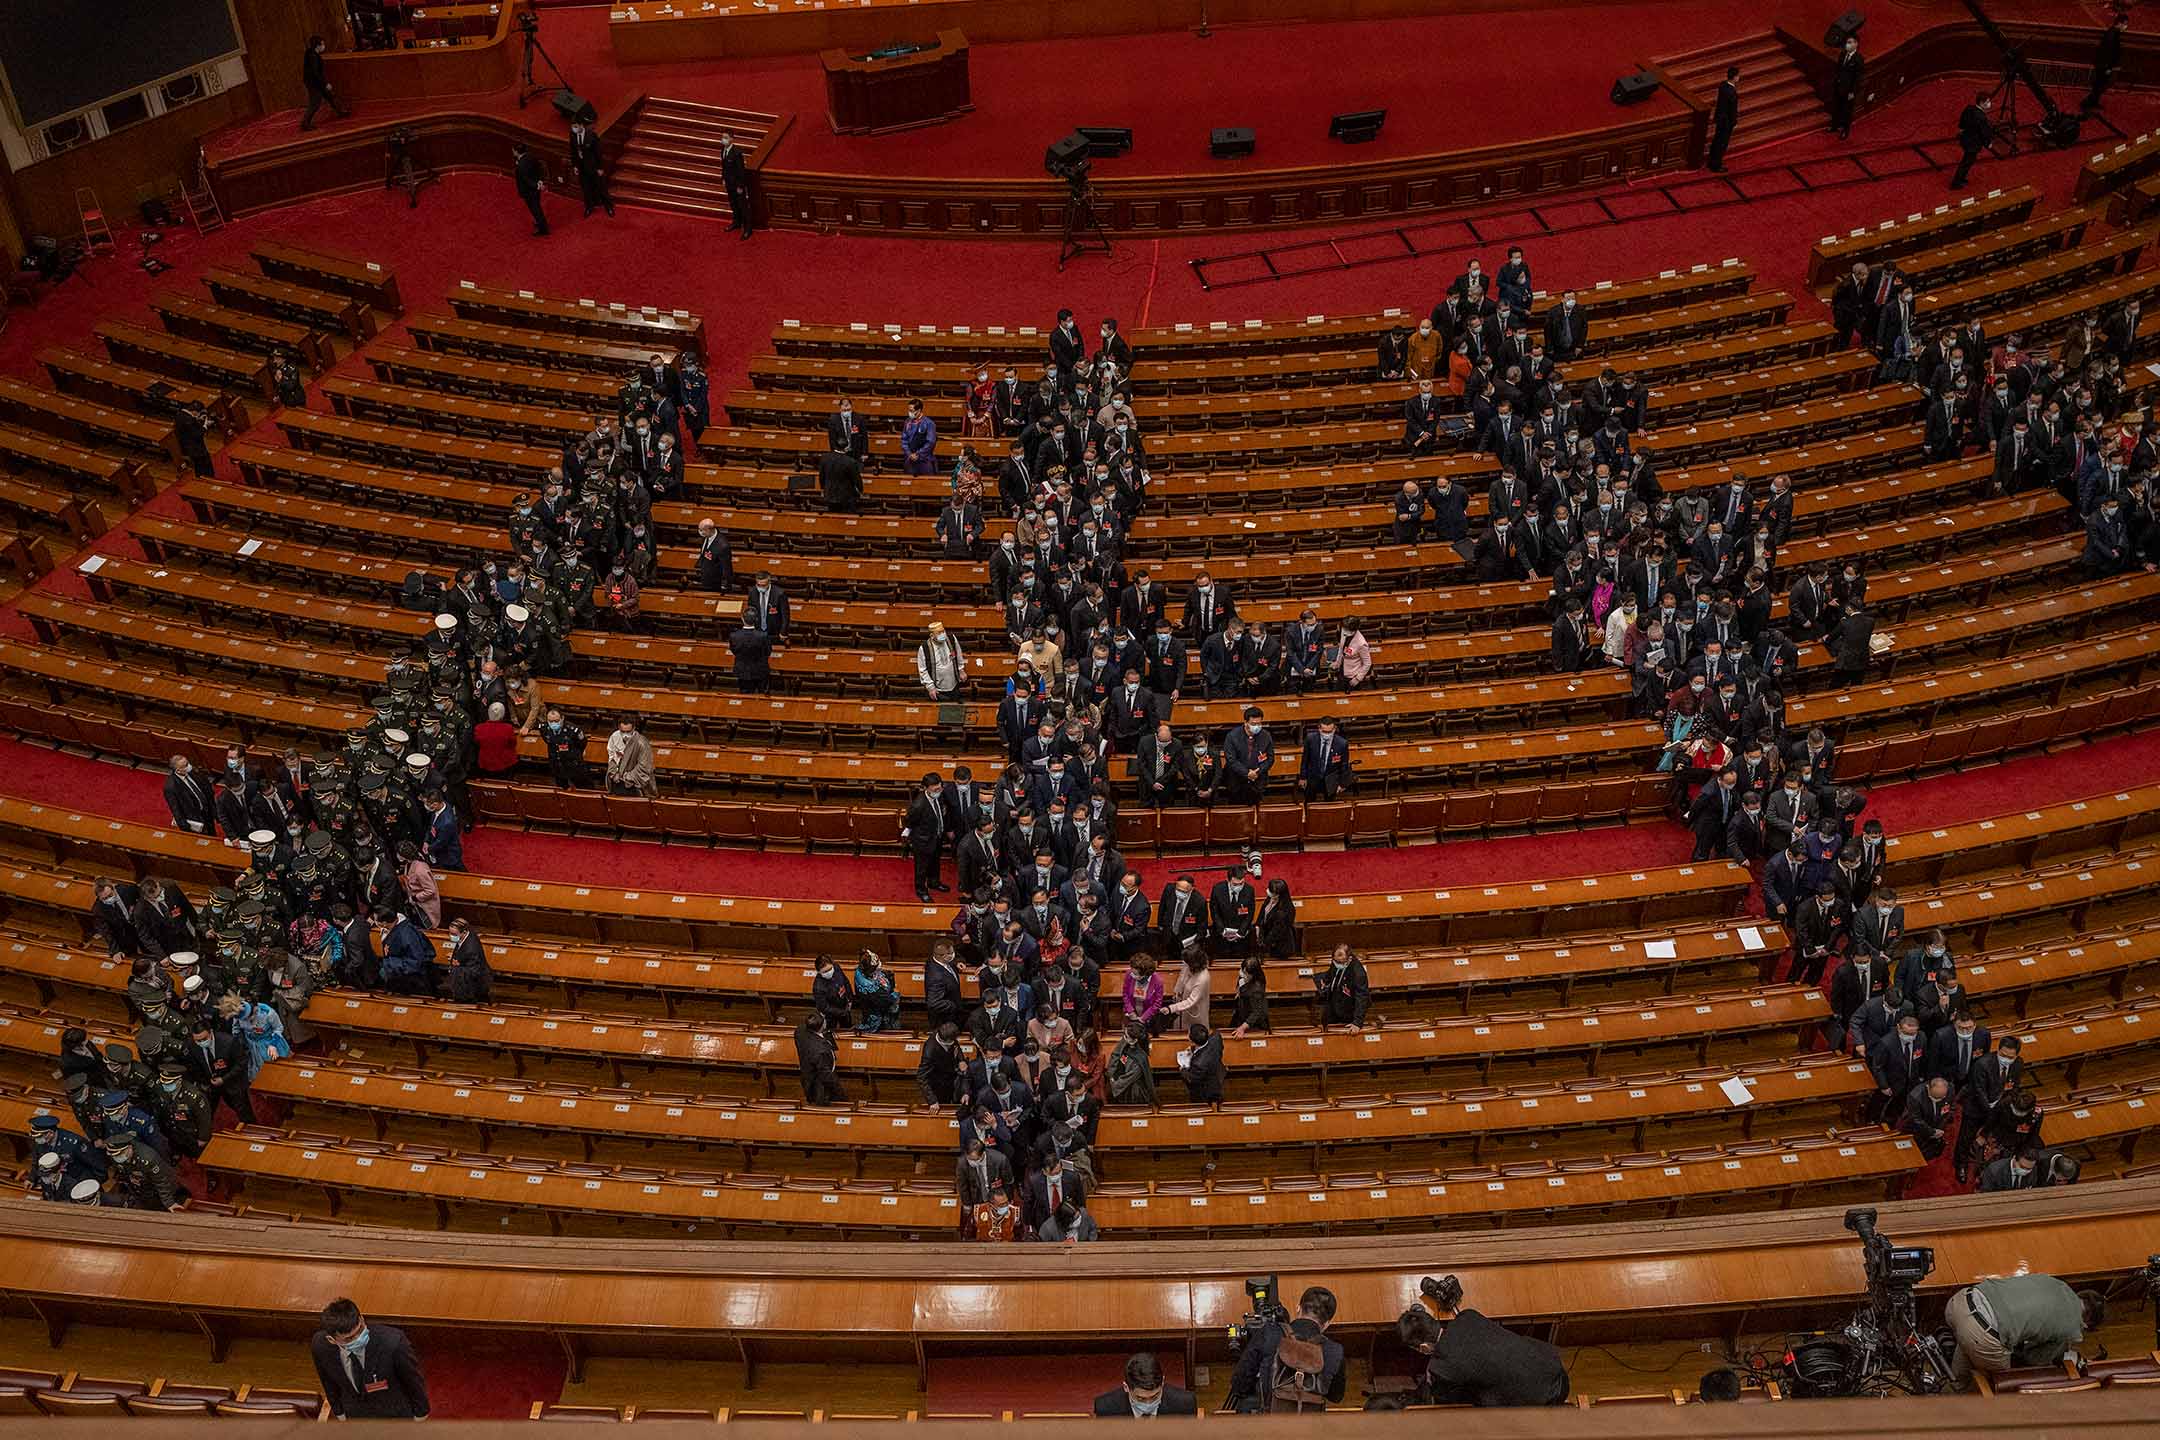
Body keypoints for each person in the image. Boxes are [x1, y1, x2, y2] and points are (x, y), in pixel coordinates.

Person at [1943, 1275, 2103, 1391]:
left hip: (1960, 1302)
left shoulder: (2056, 1283)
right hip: (1981, 1332)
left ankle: (1954, 1388)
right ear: (2087, 1324)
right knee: (2006, 1383)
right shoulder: (2071, 1327)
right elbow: (2034, 1360)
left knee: (1969, 1344)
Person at [1398, 1302, 1570, 1407]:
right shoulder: (1467, 1316)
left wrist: (1432, 1380)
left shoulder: (1442, 1369)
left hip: (1542, 1400)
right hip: (1553, 1368)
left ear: (1424, 1348)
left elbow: (1452, 1402)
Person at [1226, 1285, 1345, 1413]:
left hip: (1267, 1427)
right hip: (1310, 1429)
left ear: (1298, 1308)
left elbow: (1239, 1384)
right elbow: (1336, 1396)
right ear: (1327, 1323)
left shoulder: (1269, 1333)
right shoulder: (1335, 1351)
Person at [311, 1298, 430, 1421]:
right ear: (332, 1340)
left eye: (360, 1330)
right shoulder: (320, 1346)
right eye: (349, 1339)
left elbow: (413, 1380)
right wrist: (340, 1413)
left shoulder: (393, 1342)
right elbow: (327, 1382)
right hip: (355, 1416)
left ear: (361, 1319)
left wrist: (421, 1414)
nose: (358, 1339)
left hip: (394, 1415)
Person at [1094, 1352, 1198, 1416]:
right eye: (1140, 1398)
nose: (1148, 1403)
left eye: (1155, 1396)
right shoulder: (1105, 1408)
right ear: (1126, 1387)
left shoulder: (1185, 1404)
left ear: (1162, 1382)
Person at [793, 1010, 844, 1104]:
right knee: (823, 1100)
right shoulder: (820, 1050)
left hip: (806, 1071)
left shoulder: (799, 1030)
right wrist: (839, 1090)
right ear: (821, 1027)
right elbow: (825, 1074)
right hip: (819, 1079)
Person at [299, 36, 349, 131]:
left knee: (330, 96)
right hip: (314, 83)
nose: (324, 46)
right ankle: (305, 123)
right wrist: (325, 83)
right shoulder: (313, 56)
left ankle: (340, 111)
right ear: (318, 46)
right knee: (315, 103)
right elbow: (315, 73)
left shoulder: (311, 53)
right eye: (323, 44)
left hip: (315, 81)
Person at [568, 116, 614, 217]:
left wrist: (600, 168)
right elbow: (573, 152)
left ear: (581, 125)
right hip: (582, 168)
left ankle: (609, 206)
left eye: (575, 126)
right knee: (586, 189)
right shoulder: (572, 135)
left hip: (594, 167)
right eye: (572, 127)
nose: (573, 129)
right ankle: (589, 207)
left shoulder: (591, 135)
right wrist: (575, 165)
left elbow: (598, 153)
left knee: (601, 187)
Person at [2084, 12, 2127, 112]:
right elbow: (2108, 52)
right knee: (2099, 86)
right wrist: (2108, 67)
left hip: (2104, 65)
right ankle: (2088, 104)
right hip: (2104, 66)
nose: (2125, 26)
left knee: (2099, 86)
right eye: (2125, 23)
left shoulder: (2113, 33)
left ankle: (2092, 103)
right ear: (2120, 23)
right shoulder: (2112, 34)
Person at [1951, 93, 1993, 190]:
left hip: (1965, 139)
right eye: (1987, 102)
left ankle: (1961, 178)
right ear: (1982, 103)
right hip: (1973, 144)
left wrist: (1961, 129)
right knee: (1966, 162)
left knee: (1967, 161)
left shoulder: (1969, 108)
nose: (1989, 104)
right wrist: (1988, 143)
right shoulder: (1981, 117)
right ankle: (1956, 183)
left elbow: (1962, 120)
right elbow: (1984, 132)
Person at [718, 130, 755, 238]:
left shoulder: (737, 152)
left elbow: (741, 171)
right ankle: (736, 222)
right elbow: (724, 167)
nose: (723, 140)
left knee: (743, 206)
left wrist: (740, 186)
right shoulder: (723, 150)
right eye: (722, 137)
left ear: (731, 139)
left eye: (725, 137)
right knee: (733, 204)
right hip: (729, 183)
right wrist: (723, 178)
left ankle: (748, 228)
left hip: (737, 185)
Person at [1829, 34, 1863, 139]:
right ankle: (1834, 126)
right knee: (1836, 107)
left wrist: (1852, 92)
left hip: (1848, 91)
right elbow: (1838, 69)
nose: (1847, 45)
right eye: (1847, 42)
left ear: (1856, 44)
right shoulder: (1843, 54)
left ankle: (1845, 130)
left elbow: (1858, 78)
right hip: (1838, 86)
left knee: (1847, 111)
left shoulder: (1859, 59)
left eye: (1850, 42)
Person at [511, 143, 549, 236]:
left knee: (535, 209)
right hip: (536, 188)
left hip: (529, 191)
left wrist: (537, 185)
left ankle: (543, 228)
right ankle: (541, 224)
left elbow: (526, 179)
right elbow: (539, 168)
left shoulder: (521, 165)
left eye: (513, 151)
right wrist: (540, 182)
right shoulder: (531, 157)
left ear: (516, 151)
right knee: (537, 207)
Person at [1707, 65, 1739, 172]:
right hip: (1726, 122)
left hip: (1720, 119)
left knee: (1716, 140)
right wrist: (1734, 122)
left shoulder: (1723, 85)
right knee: (1722, 143)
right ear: (1735, 77)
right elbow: (1732, 109)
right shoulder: (1732, 92)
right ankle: (1716, 165)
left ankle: (1711, 161)